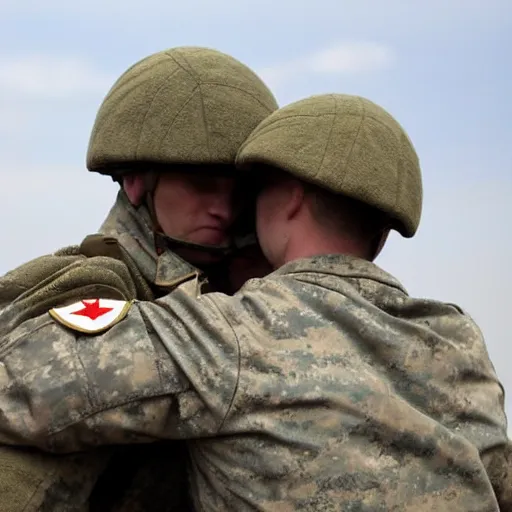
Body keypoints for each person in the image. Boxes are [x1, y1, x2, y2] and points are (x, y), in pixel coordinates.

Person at [0, 93, 509, 511]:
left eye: (251, 192)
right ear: (381, 231)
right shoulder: (457, 337)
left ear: (290, 199)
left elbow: (21, 385)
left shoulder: (235, 331)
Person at [0, 46, 277, 511]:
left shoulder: (238, 293)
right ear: (135, 181)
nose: (225, 209)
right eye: (202, 183)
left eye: (241, 191)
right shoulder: (101, 289)